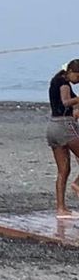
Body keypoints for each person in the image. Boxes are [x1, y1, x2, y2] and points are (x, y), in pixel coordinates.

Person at [47, 60, 79, 218]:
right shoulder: (64, 84)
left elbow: (66, 107)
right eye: (78, 76)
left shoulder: (55, 81)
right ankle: (77, 184)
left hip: (52, 126)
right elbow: (66, 102)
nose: (78, 80)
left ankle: (61, 208)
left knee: (63, 170)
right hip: (65, 126)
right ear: (71, 71)